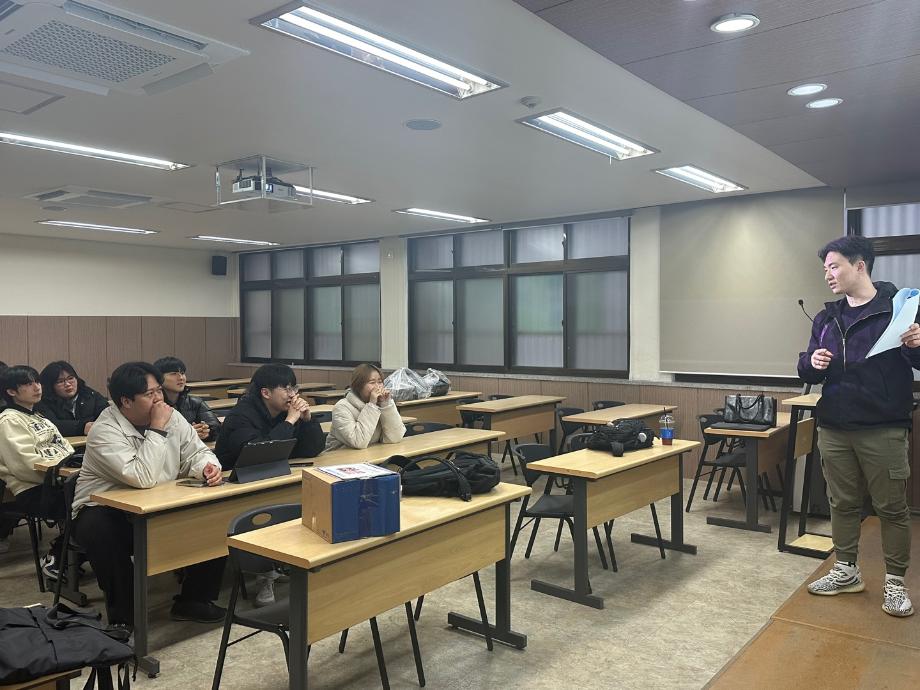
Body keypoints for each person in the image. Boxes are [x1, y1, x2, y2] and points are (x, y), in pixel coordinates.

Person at [798, 235, 919, 618]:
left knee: (891, 508)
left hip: (883, 426)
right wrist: (811, 362)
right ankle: (846, 570)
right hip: (835, 425)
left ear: (860, 265)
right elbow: (806, 368)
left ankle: (895, 583)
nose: (828, 275)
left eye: (834, 266)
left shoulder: (899, 308)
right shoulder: (826, 317)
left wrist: (916, 345)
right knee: (842, 503)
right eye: (825, 269)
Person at [71, 362, 225, 626]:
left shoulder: (171, 416)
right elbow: (141, 477)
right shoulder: (104, 430)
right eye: (149, 394)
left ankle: (194, 601)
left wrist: (206, 468)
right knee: (102, 532)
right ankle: (124, 618)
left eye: (159, 391)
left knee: (213, 517)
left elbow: (197, 452)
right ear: (126, 401)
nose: (158, 399)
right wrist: (157, 428)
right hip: (103, 508)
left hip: (157, 501)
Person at [214, 363, 324, 606]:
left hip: (269, 476)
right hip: (232, 486)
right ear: (265, 392)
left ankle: (276, 565)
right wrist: (291, 420)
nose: (293, 395)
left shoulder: (284, 412)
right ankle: (266, 572)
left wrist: (307, 420)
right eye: (286, 389)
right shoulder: (241, 416)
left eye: (294, 388)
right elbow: (261, 452)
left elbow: (312, 449)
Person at [0, 365, 73, 569]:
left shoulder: (39, 417)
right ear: (11, 391)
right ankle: (57, 558)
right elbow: (24, 466)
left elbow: (65, 446)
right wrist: (61, 476)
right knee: (90, 507)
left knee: (99, 501)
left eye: (37, 381)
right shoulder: (8, 421)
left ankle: (70, 555)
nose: (37, 387)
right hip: (36, 491)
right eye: (28, 383)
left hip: (58, 482)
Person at [325, 363, 405, 451]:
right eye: (372, 382)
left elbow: (395, 437)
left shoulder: (379, 405)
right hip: (340, 456)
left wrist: (386, 404)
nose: (378, 387)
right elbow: (358, 441)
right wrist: (372, 405)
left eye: (380, 382)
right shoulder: (341, 408)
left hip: (371, 454)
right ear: (359, 386)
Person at [153, 356, 221, 442]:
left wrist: (206, 431)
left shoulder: (195, 402)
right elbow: (152, 435)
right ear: (159, 378)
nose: (181, 377)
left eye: (182, 373)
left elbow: (215, 426)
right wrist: (187, 433)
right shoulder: (153, 404)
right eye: (173, 374)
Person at [36, 361, 109, 437]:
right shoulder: (43, 401)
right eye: (60, 381)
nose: (67, 384)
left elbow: (108, 415)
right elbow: (50, 425)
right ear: (50, 386)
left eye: (70, 378)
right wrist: (82, 427)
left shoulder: (89, 394)